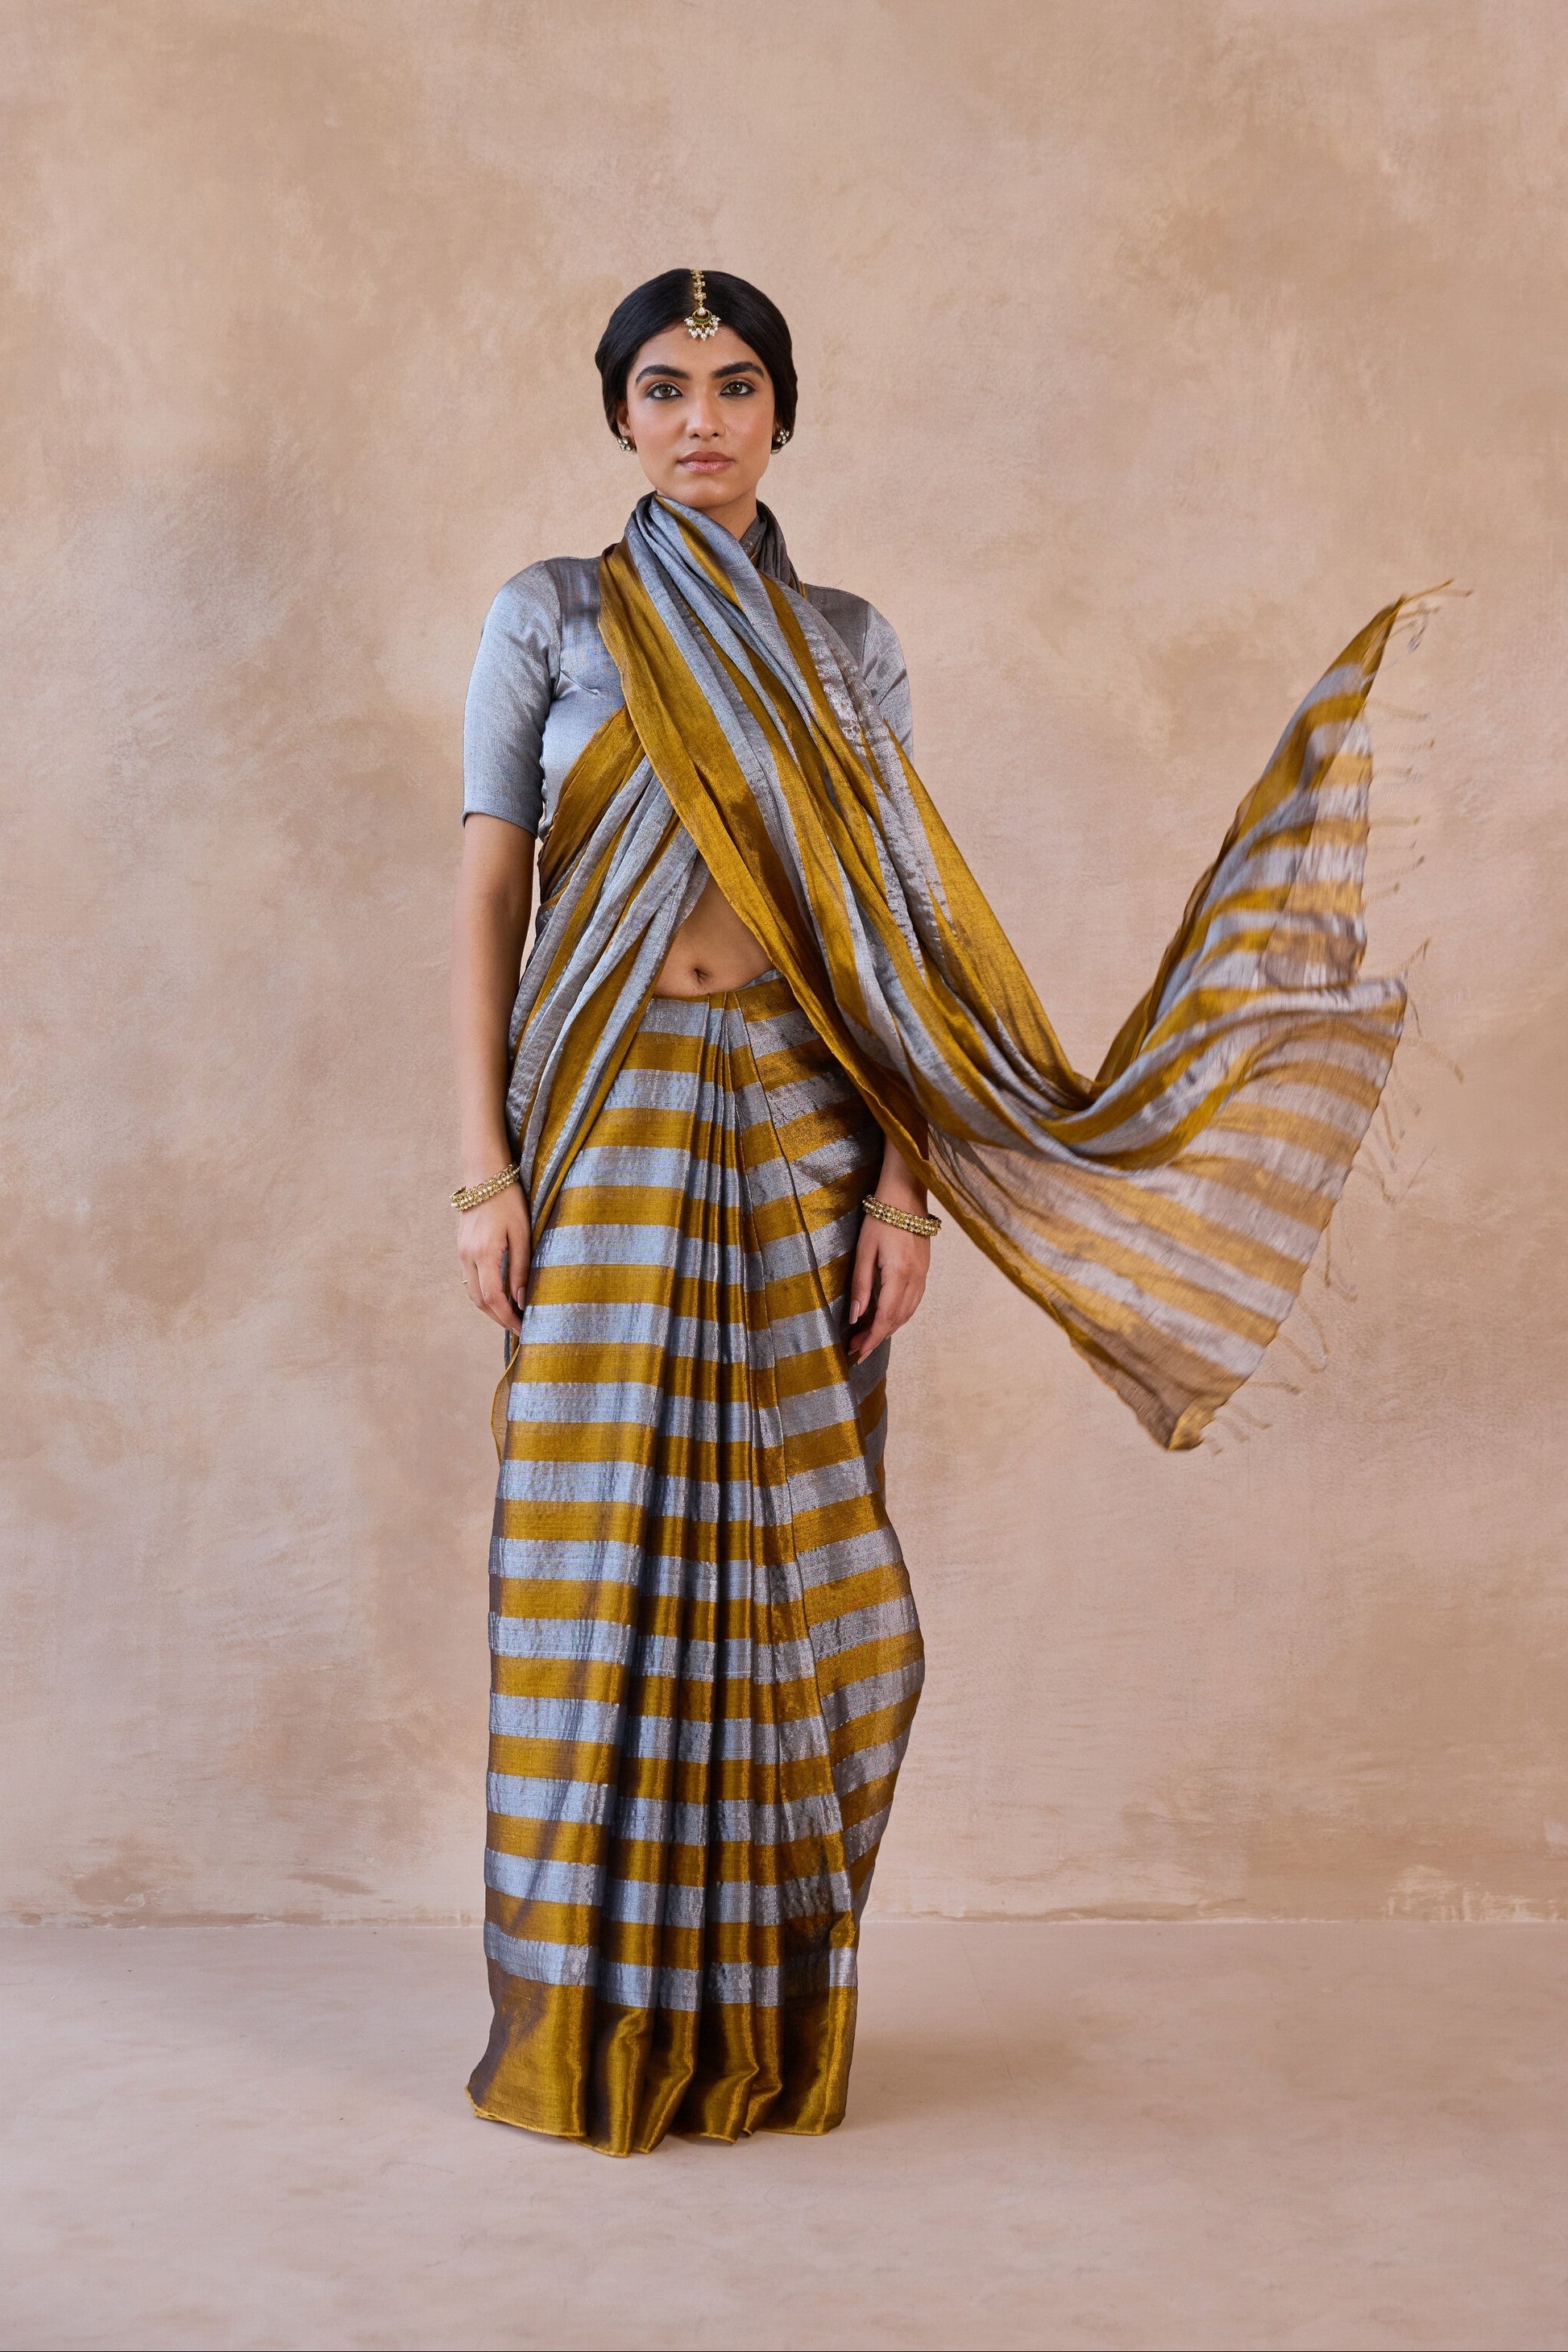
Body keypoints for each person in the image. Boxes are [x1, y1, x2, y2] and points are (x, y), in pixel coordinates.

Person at [450, 268, 1406, 2156]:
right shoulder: (552, 614)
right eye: (665, 386)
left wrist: (906, 1183)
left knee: (793, 1562)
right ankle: (588, 2028)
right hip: (609, 1112)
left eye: (737, 384)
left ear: (782, 414)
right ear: (618, 415)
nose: (701, 417)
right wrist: (484, 1169)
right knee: (591, 1552)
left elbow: (894, 935)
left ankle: (761, 2018)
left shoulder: (844, 641)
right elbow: (491, 888)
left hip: (808, 1122)